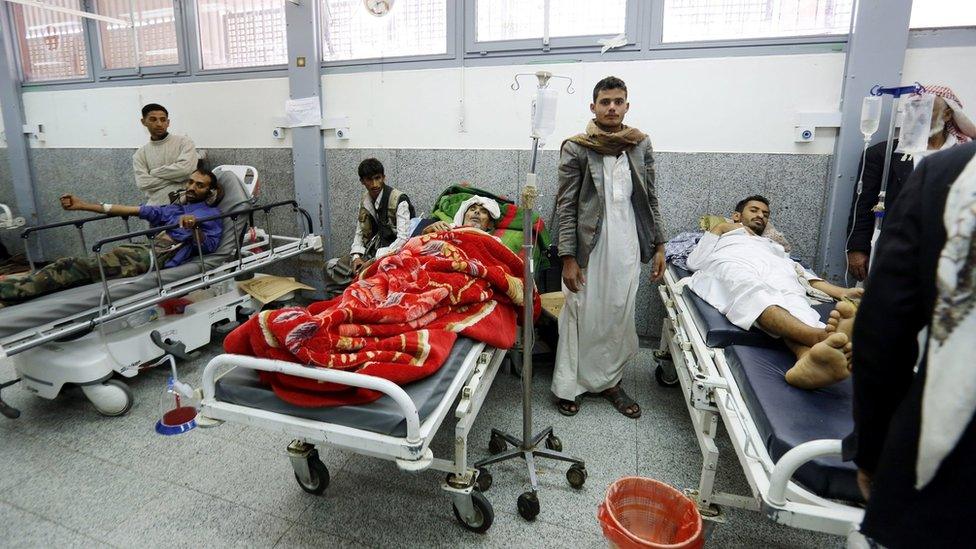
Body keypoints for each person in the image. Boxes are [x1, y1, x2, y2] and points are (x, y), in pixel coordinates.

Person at [845, 141, 976, 548]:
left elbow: (883, 329)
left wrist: (873, 452)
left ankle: (818, 340)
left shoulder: (950, 172)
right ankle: (814, 342)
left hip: (950, 471)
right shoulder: (724, 235)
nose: (759, 216)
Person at [550, 76, 666, 419]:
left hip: (627, 243)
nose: (612, 107)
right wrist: (568, 258)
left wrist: (659, 244)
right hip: (589, 248)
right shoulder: (577, 147)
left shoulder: (640, 144)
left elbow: (650, 198)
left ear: (627, 106)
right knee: (579, 312)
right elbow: (566, 205)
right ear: (593, 107)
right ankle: (569, 385)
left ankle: (611, 382)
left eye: (618, 101)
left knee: (617, 313)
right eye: (605, 102)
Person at [686, 195, 863, 389]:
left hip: (777, 272)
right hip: (734, 263)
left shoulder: (775, 247)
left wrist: (844, 292)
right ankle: (819, 336)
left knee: (796, 303)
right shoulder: (724, 235)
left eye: (765, 214)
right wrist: (720, 228)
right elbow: (694, 263)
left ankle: (807, 361)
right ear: (736, 216)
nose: (761, 215)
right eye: (754, 210)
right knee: (757, 294)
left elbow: (805, 278)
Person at [0, 169, 222, 304]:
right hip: (137, 251)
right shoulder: (173, 209)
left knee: (72, 266)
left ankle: (9, 291)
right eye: (190, 182)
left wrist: (195, 229)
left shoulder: (211, 214)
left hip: (154, 258)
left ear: (209, 192)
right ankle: (14, 295)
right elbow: (131, 209)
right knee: (76, 271)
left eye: (199, 185)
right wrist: (83, 205)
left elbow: (210, 246)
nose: (192, 187)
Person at [846, 85, 975, 281]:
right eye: (913, 109)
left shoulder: (964, 156)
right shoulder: (883, 154)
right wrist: (857, 248)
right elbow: (862, 205)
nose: (917, 116)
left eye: (926, 110)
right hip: (895, 249)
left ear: (947, 114)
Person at [323, 158, 414, 297]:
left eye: (378, 178)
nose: (374, 184)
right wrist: (356, 257)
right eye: (369, 180)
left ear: (384, 177)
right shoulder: (365, 200)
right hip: (369, 253)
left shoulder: (399, 199)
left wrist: (373, 260)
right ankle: (343, 301)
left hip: (391, 255)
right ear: (362, 181)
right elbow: (359, 232)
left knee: (374, 277)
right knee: (330, 266)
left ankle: (358, 293)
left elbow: (403, 239)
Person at [133, 103, 200, 206]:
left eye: (163, 120)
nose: (159, 124)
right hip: (155, 208)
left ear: (168, 122)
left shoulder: (184, 142)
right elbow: (143, 183)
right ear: (143, 122)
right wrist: (178, 177)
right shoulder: (140, 154)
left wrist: (154, 172)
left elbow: (186, 170)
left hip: (185, 205)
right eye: (153, 119)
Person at [419, 196, 500, 235]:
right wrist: (427, 232)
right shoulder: (445, 230)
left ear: (490, 224)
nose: (477, 212)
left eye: (483, 212)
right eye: (472, 209)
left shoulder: (494, 242)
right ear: (463, 217)